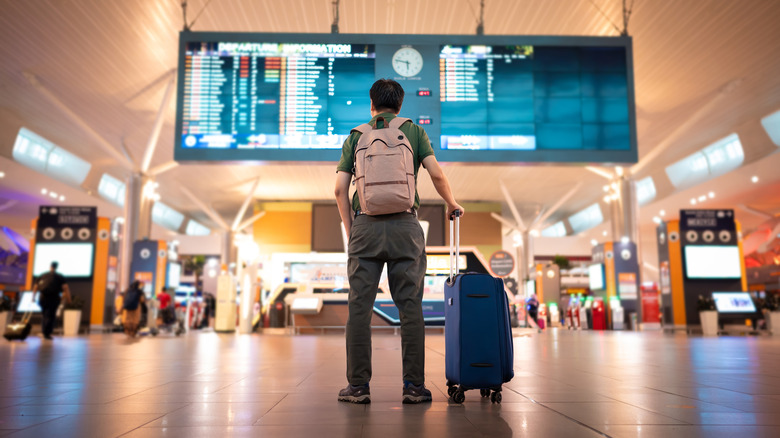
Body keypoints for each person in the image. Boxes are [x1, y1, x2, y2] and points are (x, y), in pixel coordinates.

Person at [334, 79, 464, 404]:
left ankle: (358, 387)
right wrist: (451, 203)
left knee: (359, 307)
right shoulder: (414, 132)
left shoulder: (356, 136)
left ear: (372, 104)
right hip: (406, 225)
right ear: (400, 105)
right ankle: (414, 387)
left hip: (365, 225)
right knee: (410, 308)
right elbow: (436, 175)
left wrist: (353, 229)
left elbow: (338, 189)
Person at [31, 261, 71, 340]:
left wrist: (33, 297)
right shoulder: (60, 276)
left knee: (45, 314)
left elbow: (35, 287)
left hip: (42, 297)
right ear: (57, 267)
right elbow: (65, 288)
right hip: (54, 298)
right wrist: (69, 299)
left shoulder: (42, 275)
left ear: (50, 266)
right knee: (51, 315)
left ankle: (44, 332)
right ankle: (47, 333)